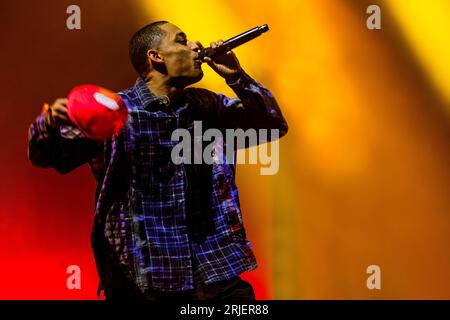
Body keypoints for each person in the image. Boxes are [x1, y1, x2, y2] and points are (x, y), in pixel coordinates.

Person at [28, 21, 288, 301]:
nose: (196, 46)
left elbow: (271, 124)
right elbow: (47, 156)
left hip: (215, 269)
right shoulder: (117, 112)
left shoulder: (207, 106)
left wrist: (237, 77)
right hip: (145, 279)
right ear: (156, 57)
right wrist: (50, 124)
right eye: (182, 40)